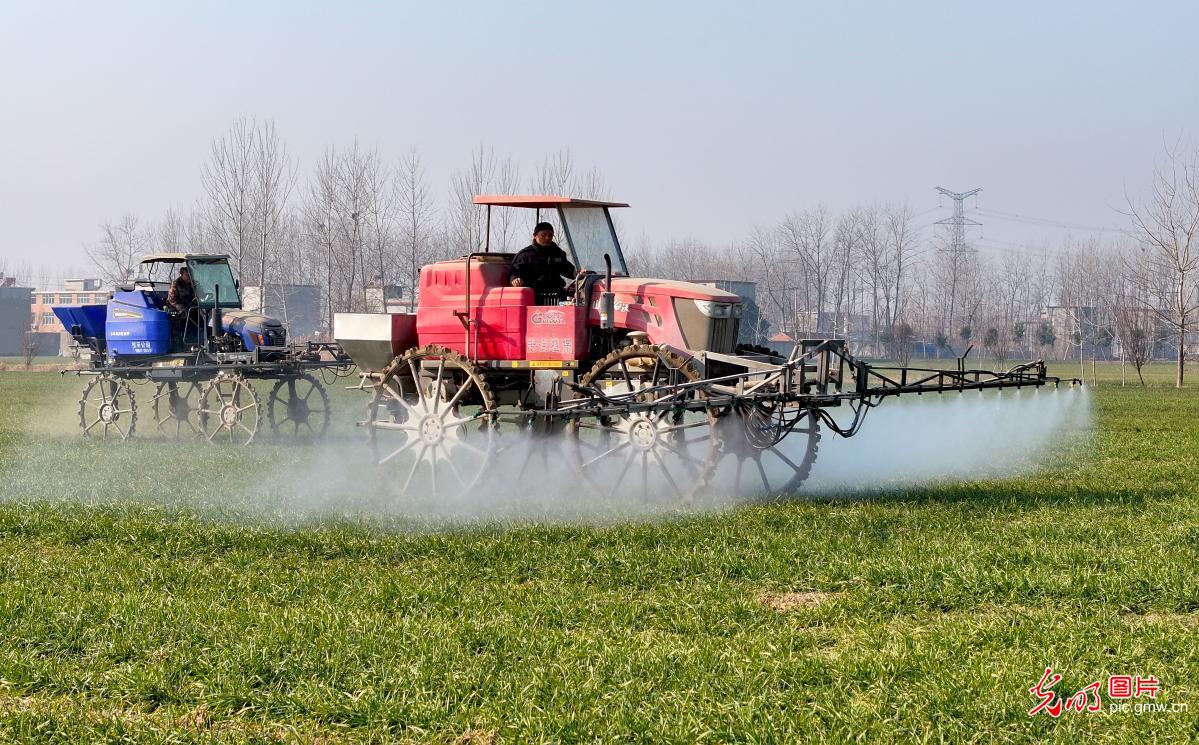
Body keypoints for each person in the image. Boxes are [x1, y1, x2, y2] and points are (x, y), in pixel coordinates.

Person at [510, 222, 575, 303]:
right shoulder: (525, 255)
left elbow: (567, 269)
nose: (547, 238)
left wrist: (578, 273)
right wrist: (515, 279)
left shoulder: (557, 253)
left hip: (557, 295)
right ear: (535, 236)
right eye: (543, 235)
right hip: (534, 296)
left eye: (550, 235)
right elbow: (515, 271)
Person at [166, 266, 197, 341]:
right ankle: (183, 341)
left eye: (190, 275)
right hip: (177, 309)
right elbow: (172, 300)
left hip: (191, 308)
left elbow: (200, 294)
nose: (189, 277)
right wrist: (179, 307)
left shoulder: (194, 284)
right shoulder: (176, 284)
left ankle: (198, 341)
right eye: (187, 275)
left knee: (200, 318)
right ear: (182, 274)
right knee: (184, 319)